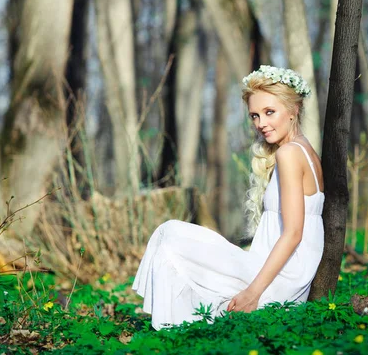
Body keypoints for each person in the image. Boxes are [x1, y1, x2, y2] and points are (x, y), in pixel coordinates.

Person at [132, 65, 325, 330]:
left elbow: (293, 234)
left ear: (294, 110)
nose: (261, 124)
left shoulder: (289, 154)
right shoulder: (306, 151)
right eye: (255, 115)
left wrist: (252, 293)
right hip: (280, 274)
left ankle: (169, 328)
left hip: (278, 282)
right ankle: (174, 326)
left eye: (270, 112)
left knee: (170, 235)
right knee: (172, 234)